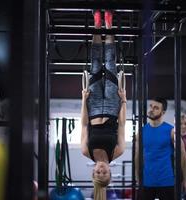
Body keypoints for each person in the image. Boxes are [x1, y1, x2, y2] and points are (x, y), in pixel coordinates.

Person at [80, 10, 126, 200]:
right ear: (109, 172)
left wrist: (84, 100)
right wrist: (123, 100)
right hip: (113, 107)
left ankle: (98, 24)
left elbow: (84, 125)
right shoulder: (118, 151)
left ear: (93, 173)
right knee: (110, 63)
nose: (100, 170)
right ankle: (109, 24)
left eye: (98, 173)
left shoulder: (85, 151)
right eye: (104, 173)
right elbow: (122, 125)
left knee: (96, 64)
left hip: (93, 105)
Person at [135, 97, 186, 200]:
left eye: (156, 108)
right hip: (147, 182)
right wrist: (137, 176)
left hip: (167, 182)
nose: (151, 109)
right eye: (151, 106)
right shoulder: (141, 132)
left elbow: (182, 155)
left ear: (163, 112)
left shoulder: (172, 131)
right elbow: (138, 155)